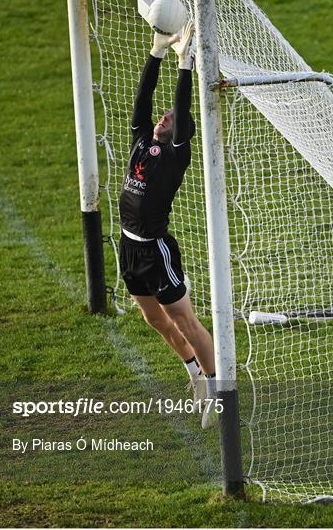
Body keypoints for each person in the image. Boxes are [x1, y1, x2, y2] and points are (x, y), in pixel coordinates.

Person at [119, 22, 217, 429]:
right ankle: (193, 373)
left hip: (156, 250)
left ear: (181, 135)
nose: (164, 116)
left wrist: (184, 64)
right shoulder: (143, 137)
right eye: (165, 115)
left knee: (184, 319)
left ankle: (218, 389)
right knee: (154, 320)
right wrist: (156, 52)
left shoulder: (176, 155)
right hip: (129, 245)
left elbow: (182, 103)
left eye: (171, 117)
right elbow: (143, 100)